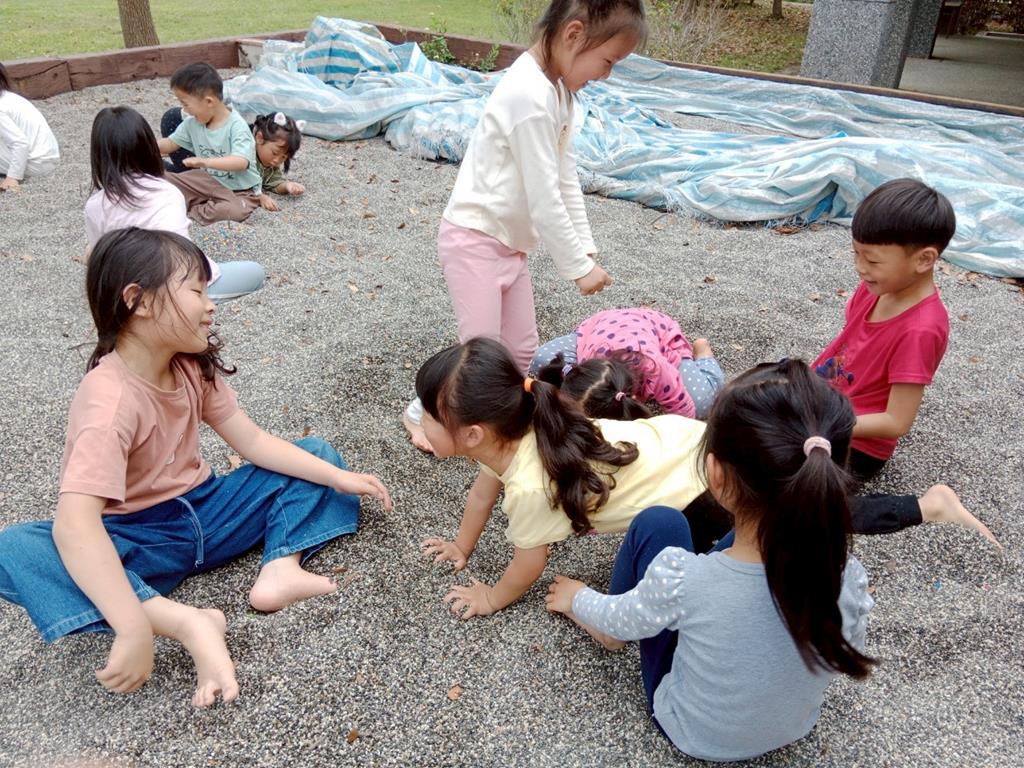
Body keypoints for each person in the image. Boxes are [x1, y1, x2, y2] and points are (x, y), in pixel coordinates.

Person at [0, 228, 392, 707]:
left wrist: (336, 477)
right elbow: (76, 523)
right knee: (16, 550)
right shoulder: (109, 401)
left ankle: (281, 566)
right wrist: (131, 627)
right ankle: (183, 620)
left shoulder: (189, 365)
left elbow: (252, 442)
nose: (211, 306)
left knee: (316, 454)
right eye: (197, 291)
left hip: (210, 512)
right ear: (139, 301)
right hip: (140, 540)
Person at [544, 359, 875, 761]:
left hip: (691, 730)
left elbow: (622, 619)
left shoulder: (683, 580)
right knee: (752, 541)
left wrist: (576, 598)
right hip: (793, 726)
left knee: (659, 522)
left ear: (716, 475)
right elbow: (842, 650)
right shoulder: (846, 574)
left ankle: (609, 640)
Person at [402, 0, 648, 452]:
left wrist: (584, 246)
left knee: (519, 349)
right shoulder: (529, 96)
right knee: (480, 352)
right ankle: (423, 412)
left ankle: (500, 425)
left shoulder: (559, 92)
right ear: (573, 35)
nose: (606, 75)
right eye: (608, 61)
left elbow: (564, 174)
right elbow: (542, 195)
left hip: (510, 244)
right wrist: (577, 266)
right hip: (475, 238)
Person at [417, 337, 711, 619]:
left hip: (698, 491)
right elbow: (482, 496)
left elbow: (529, 564)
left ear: (473, 435)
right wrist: (461, 546)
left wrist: (491, 599)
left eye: (428, 414)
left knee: (651, 590)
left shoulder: (530, 487)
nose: (420, 419)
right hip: (685, 438)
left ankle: (608, 632)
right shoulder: (515, 429)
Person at [813, 178, 954, 483]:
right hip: (826, 404)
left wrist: (824, 427)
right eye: (856, 254)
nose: (860, 267)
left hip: (857, 444)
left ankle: (924, 505)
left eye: (872, 260)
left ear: (924, 259)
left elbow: (896, 421)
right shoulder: (875, 289)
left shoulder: (920, 329)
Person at [85, 105, 264, 303]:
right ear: (148, 147)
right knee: (255, 272)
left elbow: (98, 258)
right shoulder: (167, 191)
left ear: (98, 155)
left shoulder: (94, 206)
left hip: (131, 293)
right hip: (182, 289)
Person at [531, 307, 724, 419]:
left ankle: (703, 354)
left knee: (701, 404)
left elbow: (684, 415)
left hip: (658, 331)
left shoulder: (657, 370)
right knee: (540, 360)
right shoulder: (588, 366)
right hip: (603, 325)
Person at [156, 63, 262, 225]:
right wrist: (145, 145)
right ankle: (192, 201)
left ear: (209, 101)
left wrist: (206, 162)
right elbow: (171, 143)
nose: (184, 110)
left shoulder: (236, 126)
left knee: (231, 211)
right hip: (206, 181)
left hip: (240, 189)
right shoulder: (192, 123)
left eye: (185, 104)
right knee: (160, 180)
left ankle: (192, 208)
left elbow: (241, 162)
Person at [0, 62, 60, 191]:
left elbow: (20, 143)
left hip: (37, 164)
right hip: (48, 158)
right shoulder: (9, 97)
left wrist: (12, 177)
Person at [251, 112, 306, 212]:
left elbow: (273, 182)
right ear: (259, 138)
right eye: (275, 153)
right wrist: (259, 197)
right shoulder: (245, 156)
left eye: (284, 157)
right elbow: (238, 183)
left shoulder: (270, 163)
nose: (277, 160)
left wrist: (287, 186)